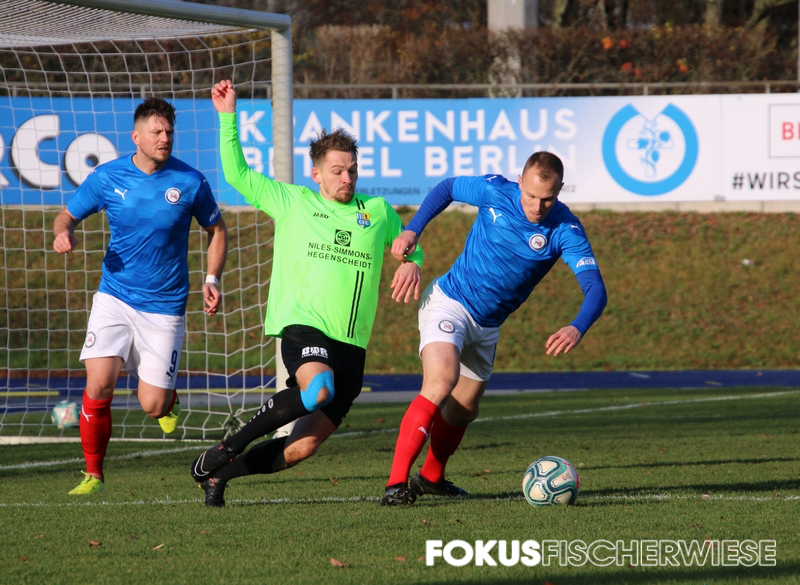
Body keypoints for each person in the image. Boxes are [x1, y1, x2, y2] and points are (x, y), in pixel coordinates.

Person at [188, 79, 423, 507]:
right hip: (304, 327)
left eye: (352, 170)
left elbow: (408, 244)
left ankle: (220, 476)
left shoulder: (377, 211)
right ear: (316, 174)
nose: (347, 178)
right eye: (337, 171)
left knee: (301, 448)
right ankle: (228, 445)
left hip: (353, 345)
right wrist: (227, 118)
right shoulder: (292, 201)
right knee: (318, 391)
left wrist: (413, 262)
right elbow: (238, 174)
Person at [380, 152, 608, 505]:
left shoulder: (566, 229)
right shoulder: (495, 191)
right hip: (450, 302)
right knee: (441, 382)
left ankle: (431, 478)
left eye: (547, 199)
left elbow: (595, 289)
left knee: (464, 409)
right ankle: (395, 484)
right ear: (520, 181)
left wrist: (577, 327)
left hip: (488, 326)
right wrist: (413, 228)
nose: (537, 206)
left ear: (560, 189)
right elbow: (448, 188)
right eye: (531, 195)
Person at [53, 97, 228, 495]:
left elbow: (217, 230)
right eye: (156, 132)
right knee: (99, 383)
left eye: (169, 131)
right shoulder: (107, 177)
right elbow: (66, 215)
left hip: (165, 307)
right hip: (114, 297)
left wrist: (212, 278)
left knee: (152, 405)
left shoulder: (190, 181)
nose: (165, 138)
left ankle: (168, 399)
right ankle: (93, 475)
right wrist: (63, 232)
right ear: (136, 136)